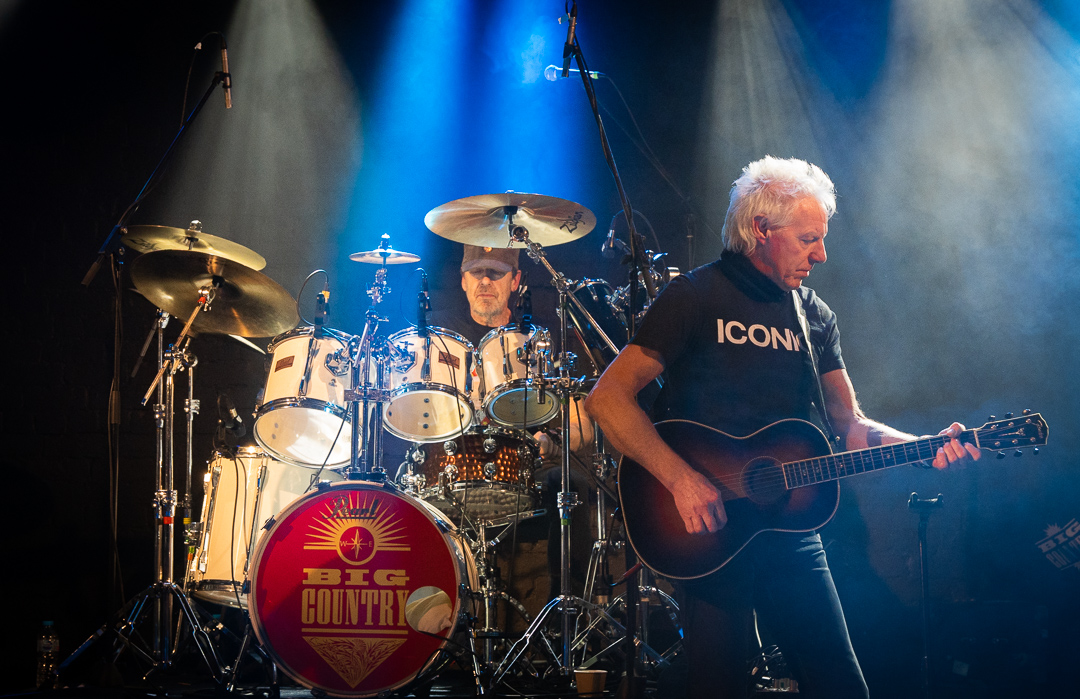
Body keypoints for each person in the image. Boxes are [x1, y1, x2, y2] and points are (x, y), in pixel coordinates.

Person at [584, 156, 981, 698]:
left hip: (791, 530)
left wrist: (922, 448)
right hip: (710, 530)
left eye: (821, 240)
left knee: (842, 687)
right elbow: (608, 399)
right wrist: (681, 480)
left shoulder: (814, 315)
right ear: (761, 230)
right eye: (808, 239)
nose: (821, 254)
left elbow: (848, 424)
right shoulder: (695, 296)